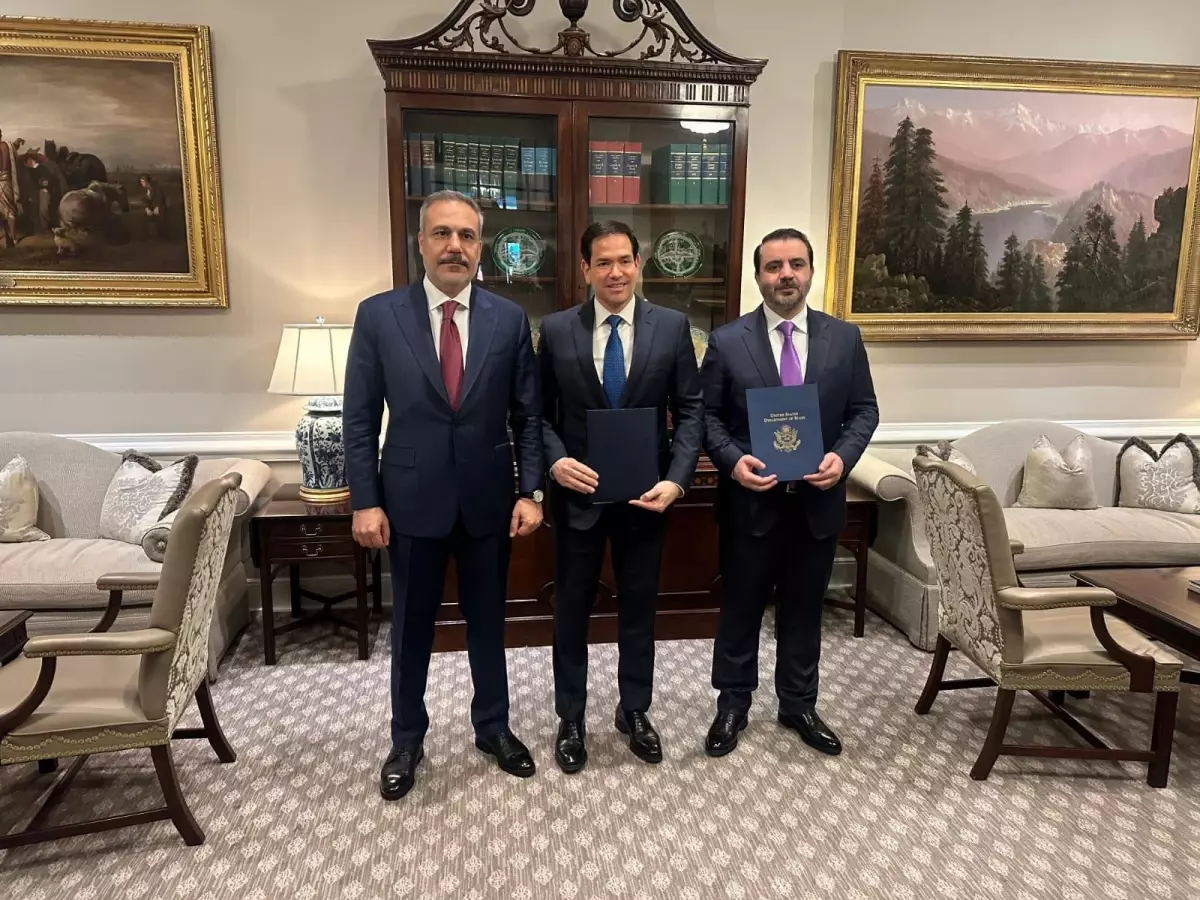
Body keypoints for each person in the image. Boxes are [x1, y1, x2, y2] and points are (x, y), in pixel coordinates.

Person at [343, 189, 546, 801]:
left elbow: (528, 416)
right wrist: (364, 500)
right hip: (409, 500)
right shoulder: (379, 316)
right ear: (421, 243)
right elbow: (359, 418)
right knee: (411, 628)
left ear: (479, 247)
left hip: (489, 499)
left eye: (467, 235)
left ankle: (494, 728)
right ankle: (406, 739)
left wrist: (532, 491)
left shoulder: (509, 319)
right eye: (442, 234)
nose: (455, 246)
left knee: (488, 623)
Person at [700, 227, 878, 758]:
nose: (786, 275)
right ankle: (732, 704)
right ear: (758, 276)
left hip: (817, 503)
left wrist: (841, 458)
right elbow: (707, 417)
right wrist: (733, 462)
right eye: (774, 266)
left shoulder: (844, 339)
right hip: (750, 502)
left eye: (795, 264)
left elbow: (864, 410)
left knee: (804, 609)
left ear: (810, 271)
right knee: (741, 608)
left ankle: (798, 703)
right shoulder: (727, 341)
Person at [537, 220, 704, 773]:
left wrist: (676, 480)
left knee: (638, 608)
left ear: (639, 264)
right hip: (577, 499)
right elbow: (538, 413)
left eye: (625, 261)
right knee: (571, 612)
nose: (615, 272)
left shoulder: (672, 327)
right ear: (585, 269)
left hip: (645, 498)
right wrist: (555, 462)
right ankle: (571, 718)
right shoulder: (556, 330)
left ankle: (634, 710)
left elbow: (691, 409)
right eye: (603, 262)